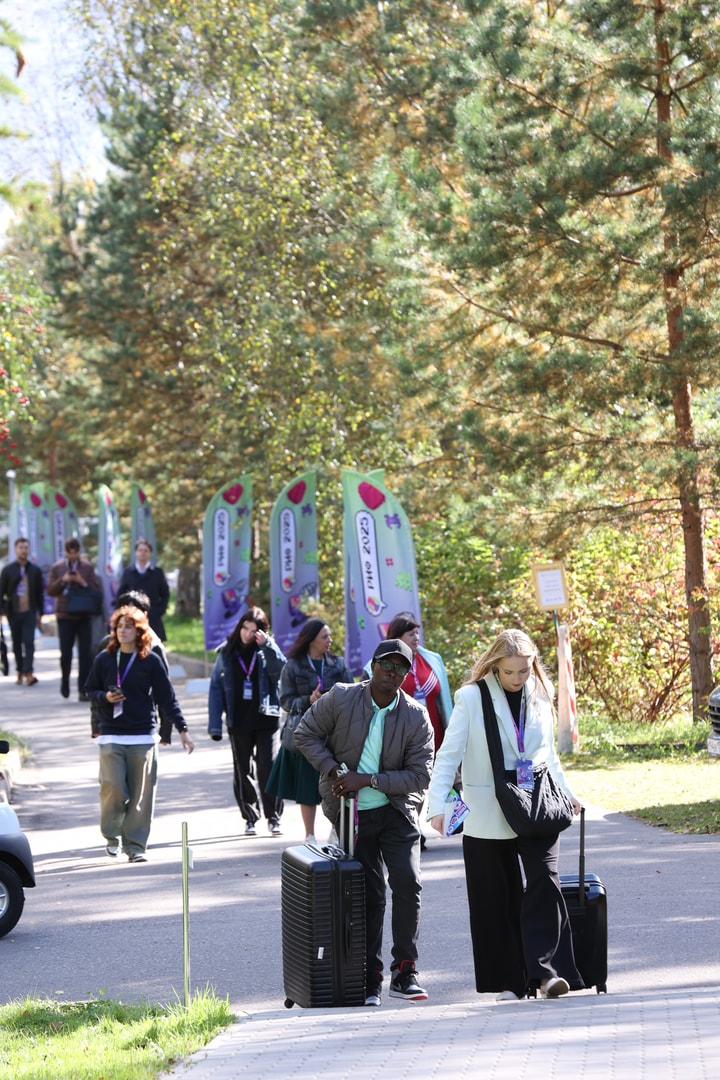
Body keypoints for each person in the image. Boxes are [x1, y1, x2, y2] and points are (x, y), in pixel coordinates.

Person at [426, 629, 582, 1001]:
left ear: (533, 664)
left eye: (524, 671)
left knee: (544, 881)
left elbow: (548, 754)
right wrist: (437, 805)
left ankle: (546, 974)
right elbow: (448, 755)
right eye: (509, 671)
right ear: (495, 665)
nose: (517, 678)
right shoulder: (470, 697)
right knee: (495, 896)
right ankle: (511, 981)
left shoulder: (541, 692)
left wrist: (567, 792)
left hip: (538, 802)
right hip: (488, 807)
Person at [294, 638, 435, 1007]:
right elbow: (304, 734)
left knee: (408, 883)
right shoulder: (342, 697)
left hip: (397, 810)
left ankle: (405, 972)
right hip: (352, 813)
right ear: (372, 666)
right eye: (387, 664)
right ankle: (369, 977)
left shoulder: (416, 716)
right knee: (368, 896)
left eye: (401, 668)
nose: (392, 672)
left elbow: (420, 775)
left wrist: (369, 779)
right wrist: (335, 771)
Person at [85, 604, 194, 862]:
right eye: (119, 626)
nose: (122, 631)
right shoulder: (104, 659)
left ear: (139, 631)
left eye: (128, 627)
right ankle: (112, 836)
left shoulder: (150, 661)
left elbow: (167, 698)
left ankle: (135, 846)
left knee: (140, 796)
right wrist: (105, 697)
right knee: (113, 788)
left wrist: (183, 729)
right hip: (111, 735)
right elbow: (90, 690)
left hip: (143, 736)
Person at [266, 618, 354, 844]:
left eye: (329, 636)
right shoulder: (293, 665)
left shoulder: (337, 663)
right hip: (307, 735)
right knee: (307, 787)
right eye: (325, 636)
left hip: (334, 733)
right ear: (311, 639)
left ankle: (335, 831)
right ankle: (309, 835)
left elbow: (352, 693)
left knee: (336, 785)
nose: (329, 640)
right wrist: (309, 699)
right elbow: (285, 701)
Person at [208, 606, 286, 836]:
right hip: (239, 720)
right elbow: (216, 686)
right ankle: (250, 817)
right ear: (239, 627)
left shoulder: (266, 649)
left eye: (254, 631)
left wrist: (268, 645)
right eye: (245, 628)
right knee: (243, 771)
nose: (248, 634)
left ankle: (274, 817)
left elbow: (282, 671)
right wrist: (215, 724)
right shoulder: (226, 652)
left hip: (266, 717)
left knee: (268, 767)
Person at [46, 537, 102, 701]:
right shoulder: (57, 568)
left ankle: (83, 689)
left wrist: (81, 581)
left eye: (75, 552)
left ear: (78, 551)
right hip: (65, 615)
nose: (72, 555)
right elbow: (50, 590)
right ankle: (65, 680)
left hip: (83, 614)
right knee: (66, 652)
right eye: (69, 552)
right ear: (65, 552)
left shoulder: (86, 567)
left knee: (85, 654)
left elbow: (96, 589)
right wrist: (63, 580)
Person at [0, 537, 44, 686]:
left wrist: (40, 613)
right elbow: (2, 592)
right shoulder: (8, 570)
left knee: (29, 642)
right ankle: (20, 670)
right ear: (15, 549)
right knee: (17, 643)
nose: (23, 550)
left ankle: (29, 673)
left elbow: (39, 593)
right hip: (13, 612)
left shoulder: (34, 570)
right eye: (21, 547)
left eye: (26, 547)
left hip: (29, 611)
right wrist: (2, 611)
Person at [117, 539, 170, 640]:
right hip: (132, 616)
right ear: (136, 552)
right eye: (140, 550)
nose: (143, 553)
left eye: (146, 550)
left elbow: (165, 594)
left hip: (153, 617)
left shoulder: (157, 573)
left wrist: (159, 611)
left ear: (150, 553)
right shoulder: (128, 573)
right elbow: (121, 594)